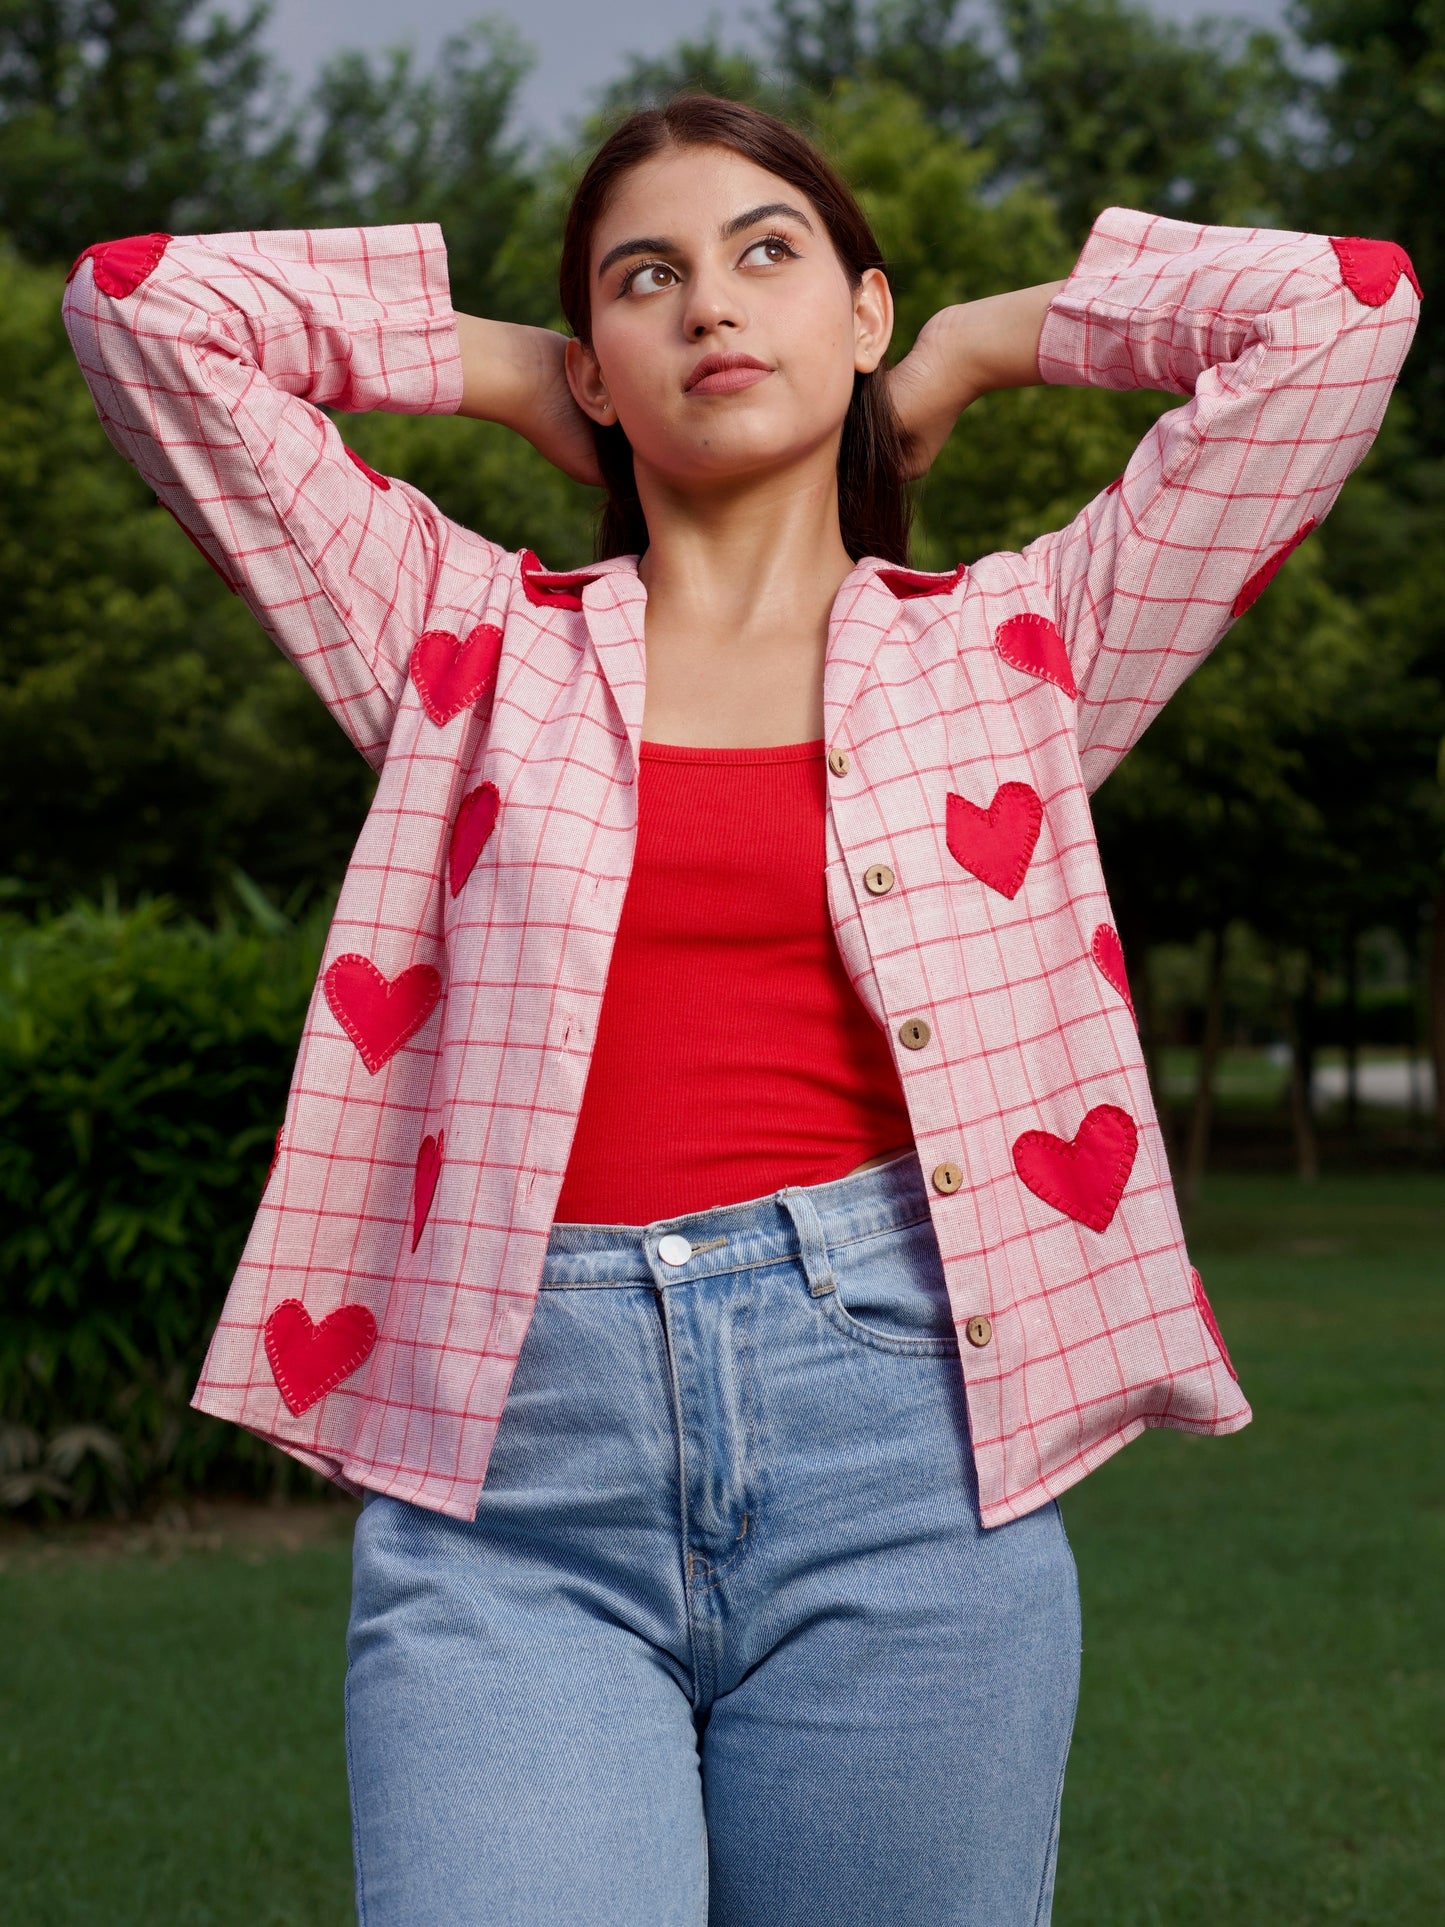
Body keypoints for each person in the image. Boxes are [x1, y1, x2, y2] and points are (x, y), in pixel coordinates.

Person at [63, 92, 1417, 1927]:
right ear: (600, 367)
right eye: (648, 280)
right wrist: (497, 369)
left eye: (767, 254)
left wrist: (980, 346)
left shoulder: (1020, 650)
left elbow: (1348, 310)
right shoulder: (457, 637)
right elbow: (138, 309)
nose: (712, 305)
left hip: (910, 1468)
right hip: (510, 1491)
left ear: (855, 311)